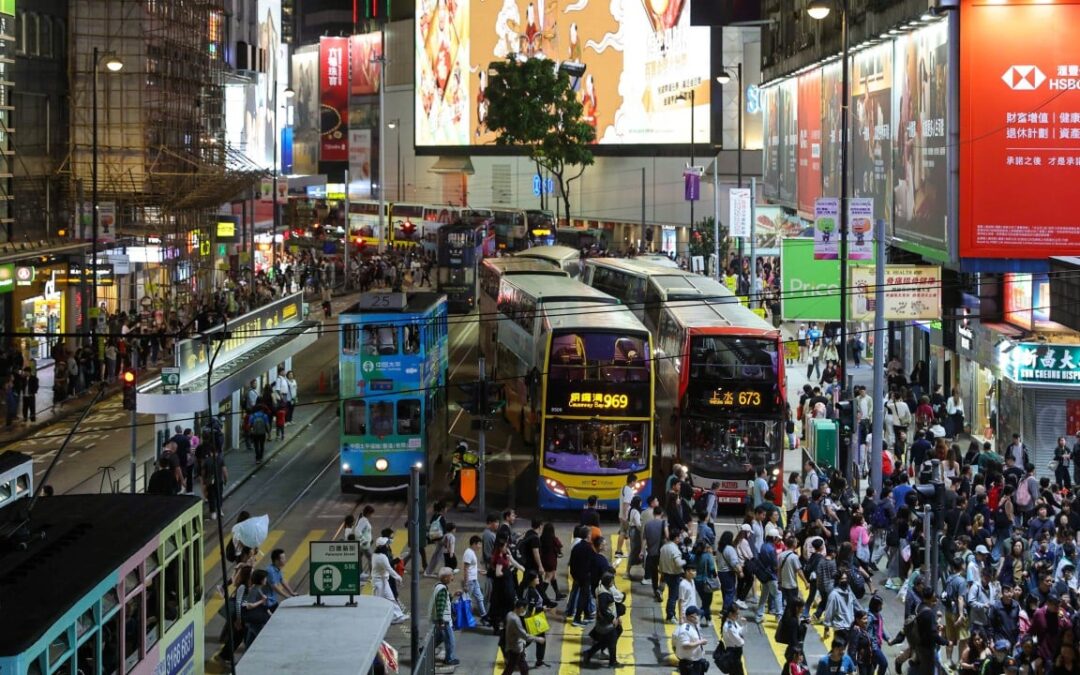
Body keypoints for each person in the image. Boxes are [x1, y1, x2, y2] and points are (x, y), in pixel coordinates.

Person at [583, 572, 623, 668]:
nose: (613, 582)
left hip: (605, 621)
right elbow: (603, 609)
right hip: (607, 623)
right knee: (612, 641)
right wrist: (613, 618)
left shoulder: (600, 587)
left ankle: (588, 653)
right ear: (608, 582)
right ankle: (612, 662)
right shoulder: (604, 594)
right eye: (612, 580)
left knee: (607, 640)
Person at [502, 597, 543, 675]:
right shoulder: (515, 620)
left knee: (517, 668)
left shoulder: (509, 614)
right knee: (516, 668)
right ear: (521, 608)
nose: (525, 611)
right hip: (516, 647)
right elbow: (524, 635)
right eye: (525, 609)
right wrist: (538, 639)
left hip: (512, 646)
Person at [372, 537, 409, 623]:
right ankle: (377, 619)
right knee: (378, 601)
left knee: (391, 598)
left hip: (383, 580)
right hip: (378, 582)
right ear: (382, 547)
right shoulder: (381, 557)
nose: (388, 546)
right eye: (387, 545)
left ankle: (398, 616)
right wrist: (399, 578)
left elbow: (388, 564)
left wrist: (398, 558)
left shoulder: (377, 555)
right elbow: (389, 568)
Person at [518, 571, 550, 668]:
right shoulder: (531, 592)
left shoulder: (530, 589)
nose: (538, 579)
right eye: (537, 578)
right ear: (532, 580)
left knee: (537, 639)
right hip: (534, 619)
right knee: (531, 640)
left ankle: (539, 660)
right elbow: (531, 609)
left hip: (535, 618)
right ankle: (515, 653)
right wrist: (542, 609)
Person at [429, 567, 460, 666]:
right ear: (445, 577)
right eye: (451, 576)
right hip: (444, 620)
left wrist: (453, 595)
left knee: (440, 637)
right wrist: (441, 621)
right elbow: (440, 606)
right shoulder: (442, 590)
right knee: (450, 640)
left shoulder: (439, 586)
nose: (453, 578)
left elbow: (444, 601)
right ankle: (449, 659)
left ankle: (424, 650)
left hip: (439, 619)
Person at [659, 530, 687, 623]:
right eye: (679, 537)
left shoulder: (664, 547)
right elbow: (679, 563)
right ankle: (670, 616)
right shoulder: (674, 549)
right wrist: (685, 561)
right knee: (673, 596)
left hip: (665, 573)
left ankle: (670, 615)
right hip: (674, 575)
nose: (680, 539)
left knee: (672, 595)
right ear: (676, 538)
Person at [673, 605, 709, 675]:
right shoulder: (685, 629)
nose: (699, 617)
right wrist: (700, 642)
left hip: (696, 663)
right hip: (690, 666)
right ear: (691, 617)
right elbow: (685, 645)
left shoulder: (693, 626)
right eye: (697, 615)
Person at [463, 535, 488, 623]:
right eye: (479, 544)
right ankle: (464, 617)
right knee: (467, 600)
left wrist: (478, 570)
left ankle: (484, 616)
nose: (480, 546)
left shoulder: (472, 552)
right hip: (470, 581)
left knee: (480, 597)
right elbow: (466, 569)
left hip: (474, 580)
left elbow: (471, 567)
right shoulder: (468, 553)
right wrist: (465, 583)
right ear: (474, 544)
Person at [616, 473, 637, 558]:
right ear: (632, 482)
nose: (635, 484)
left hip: (621, 514)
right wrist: (625, 517)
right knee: (630, 534)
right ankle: (631, 553)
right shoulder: (629, 490)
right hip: (626, 516)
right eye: (635, 482)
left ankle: (618, 551)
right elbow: (626, 504)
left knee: (622, 533)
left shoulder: (623, 488)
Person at [720, 604, 746, 675]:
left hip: (736, 653)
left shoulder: (733, 622)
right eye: (737, 614)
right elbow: (740, 642)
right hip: (733, 654)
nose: (738, 616)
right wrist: (742, 639)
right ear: (731, 614)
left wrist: (744, 624)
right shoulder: (729, 626)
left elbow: (741, 632)